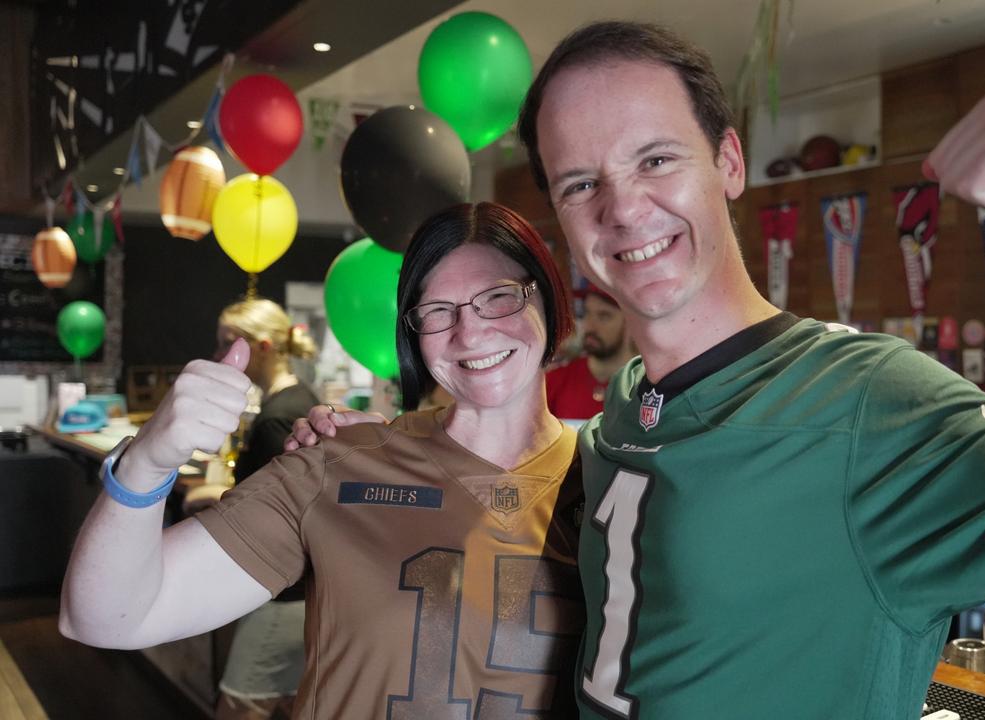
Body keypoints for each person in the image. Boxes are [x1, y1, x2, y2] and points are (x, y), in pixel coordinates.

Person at [294, 21, 985, 719]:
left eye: (657, 160)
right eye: (581, 182)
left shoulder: (869, 401)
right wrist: (380, 447)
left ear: (731, 162)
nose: (623, 210)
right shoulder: (630, 408)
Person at [60, 202, 586, 719]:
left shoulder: (612, 475)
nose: (469, 334)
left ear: (547, 296)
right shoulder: (338, 466)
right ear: (413, 334)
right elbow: (105, 617)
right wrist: (148, 462)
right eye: (438, 312)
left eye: (498, 297)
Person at [210, 298, 320, 719]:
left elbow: (281, 517)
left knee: (240, 706)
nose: (221, 356)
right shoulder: (297, 400)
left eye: (227, 344)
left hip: (281, 596)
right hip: (294, 593)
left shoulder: (277, 417)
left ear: (262, 346)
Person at [545, 285, 629, 419]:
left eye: (604, 316)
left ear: (630, 322)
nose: (589, 326)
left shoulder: (646, 385)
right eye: (586, 313)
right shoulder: (554, 381)